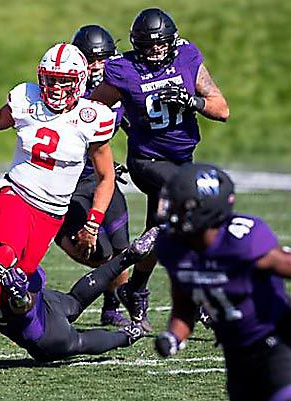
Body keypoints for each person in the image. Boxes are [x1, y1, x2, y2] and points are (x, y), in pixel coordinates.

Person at [0, 43, 117, 352]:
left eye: (64, 80)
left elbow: (106, 177)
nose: (55, 87)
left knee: (13, 283)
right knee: (4, 251)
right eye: (50, 79)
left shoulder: (93, 117)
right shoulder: (27, 98)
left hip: (52, 212)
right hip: (16, 193)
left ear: (78, 81)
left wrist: (92, 224)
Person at [90, 8, 230, 331]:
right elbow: (91, 107)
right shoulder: (124, 70)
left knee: (156, 235)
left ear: (172, 41)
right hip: (147, 161)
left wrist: (190, 100)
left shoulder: (187, 58)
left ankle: (135, 288)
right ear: (137, 45)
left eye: (160, 45)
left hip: (182, 162)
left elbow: (222, 110)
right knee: (192, 212)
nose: (155, 51)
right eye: (149, 46)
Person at [0, 224, 159, 378]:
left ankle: (129, 334)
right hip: (46, 305)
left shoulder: (17, 264)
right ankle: (128, 257)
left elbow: (20, 310)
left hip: (38, 329)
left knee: (75, 342)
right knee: (73, 302)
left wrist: (19, 294)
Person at [154, 163, 291, 401]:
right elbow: (184, 305)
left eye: (178, 204)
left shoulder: (241, 241)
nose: (168, 210)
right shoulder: (174, 248)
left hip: (278, 344)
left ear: (203, 209)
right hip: (236, 355)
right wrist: (173, 337)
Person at [54, 24, 131, 327]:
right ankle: (55, 232)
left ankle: (112, 308)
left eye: (103, 58)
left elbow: (130, 121)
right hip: (67, 180)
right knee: (97, 253)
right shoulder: (65, 90)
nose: (98, 65)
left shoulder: (119, 86)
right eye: (91, 59)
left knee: (123, 246)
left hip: (100, 176)